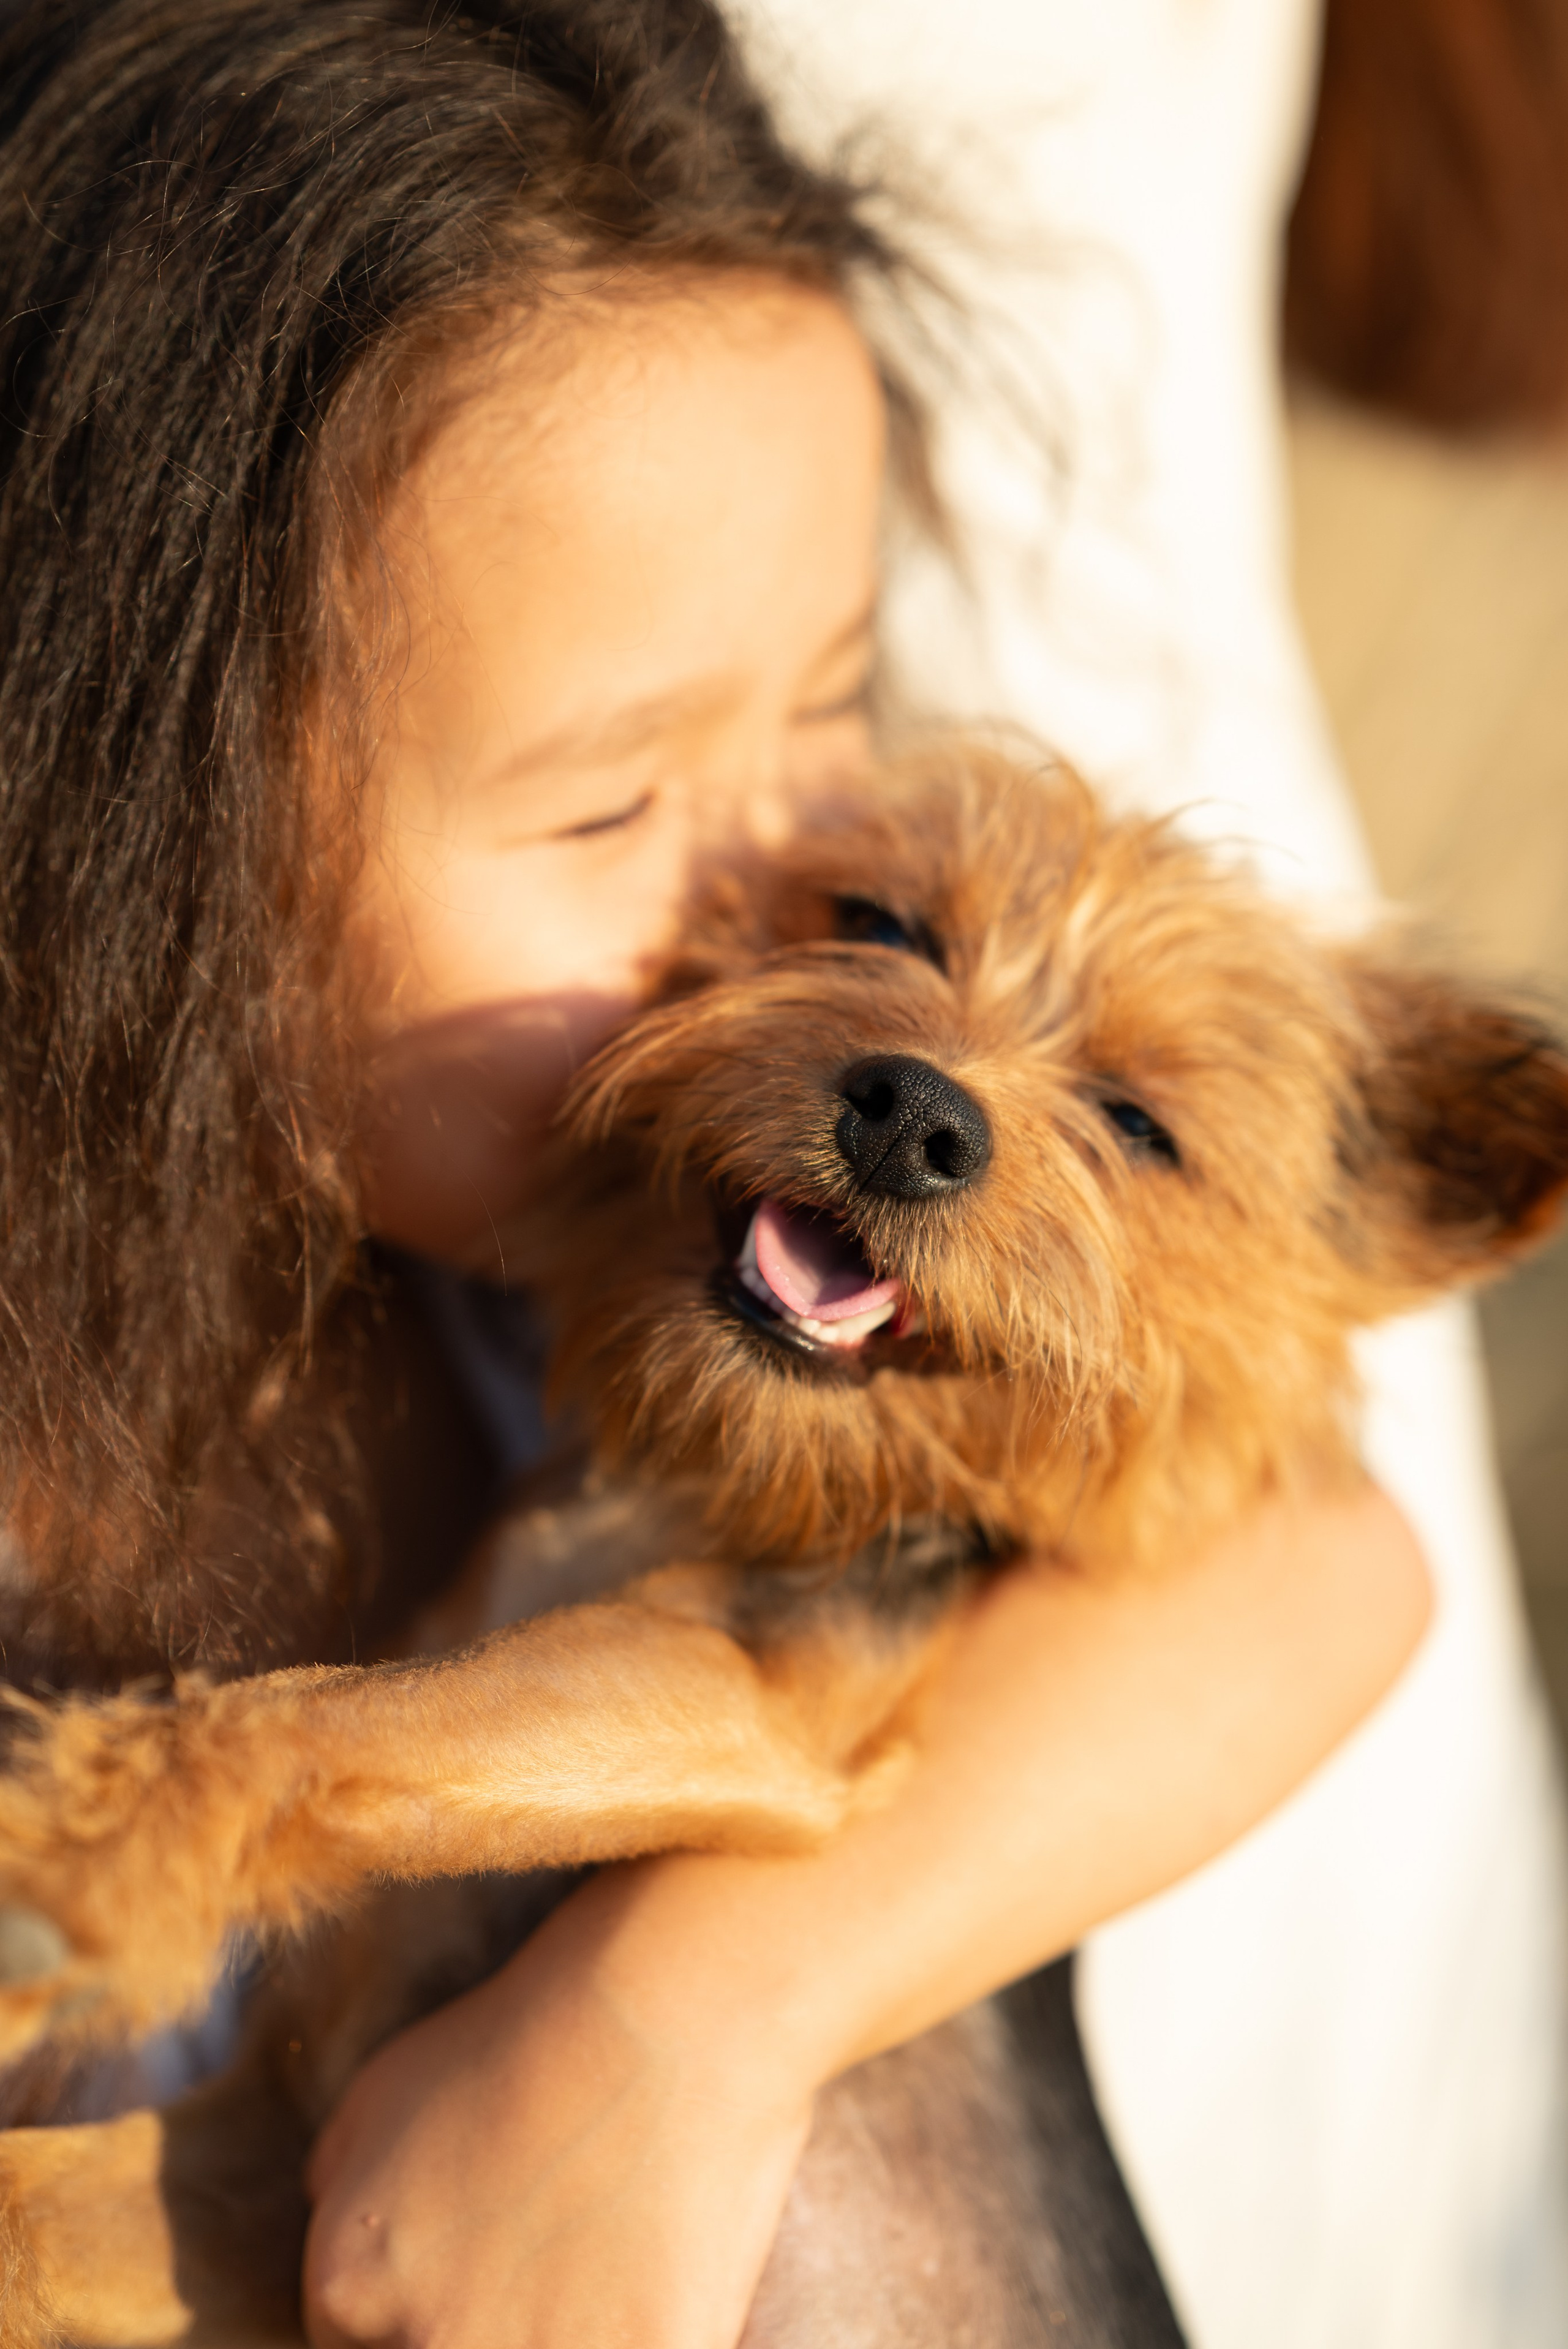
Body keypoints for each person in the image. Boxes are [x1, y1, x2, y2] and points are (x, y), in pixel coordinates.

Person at [0, 7, 1545, 2349]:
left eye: (834, 708)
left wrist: (683, 2020)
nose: (765, 888)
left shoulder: (612, 1279)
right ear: (119, 814)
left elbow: (1329, 1567)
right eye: (609, 804)